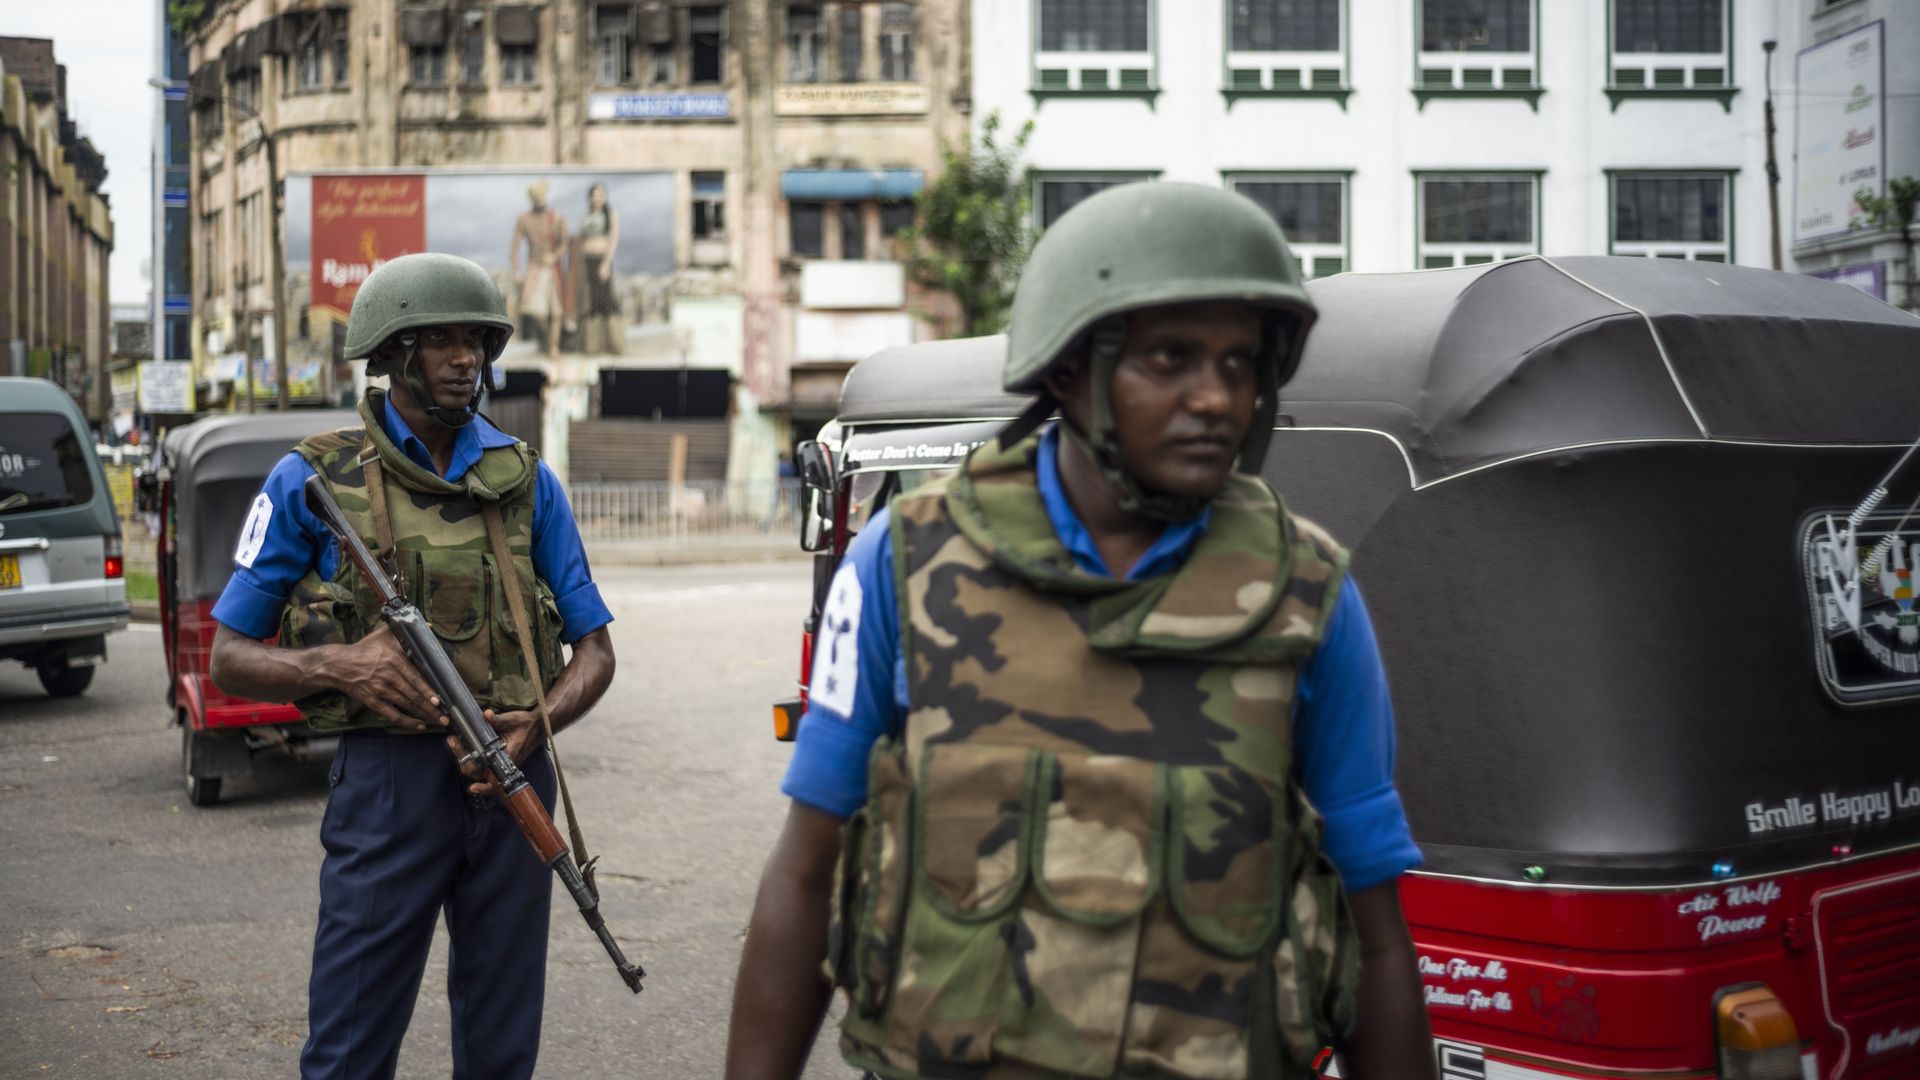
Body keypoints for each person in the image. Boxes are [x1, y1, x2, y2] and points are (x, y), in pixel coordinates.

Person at [725, 183, 1437, 1079]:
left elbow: (1374, 940)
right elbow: (805, 874)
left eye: (1239, 362)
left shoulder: (1308, 598)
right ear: (1067, 369)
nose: (1216, 398)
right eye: (1171, 358)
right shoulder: (903, 565)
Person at [207, 253, 616, 1080]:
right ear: (394, 355)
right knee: (350, 1050)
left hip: (514, 782)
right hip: (389, 787)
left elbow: (596, 653)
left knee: (502, 1054)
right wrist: (344, 665)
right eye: (441, 341)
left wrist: (538, 722)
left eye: (476, 341)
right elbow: (228, 659)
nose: (466, 359)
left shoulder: (526, 479)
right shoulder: (313, 478)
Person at [510, 181, 570, 360]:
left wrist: (554, 256)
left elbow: (564, 242)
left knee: (557, 311)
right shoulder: (524, 218)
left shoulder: (556, 217)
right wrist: (515, 269)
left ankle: (553, 346)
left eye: (541, 196)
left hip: (553, 269)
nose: (539, 200)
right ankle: (545, 340)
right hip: (534, 268)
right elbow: (516, 245)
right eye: (536, 197)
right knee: (534, 309)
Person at [572, 182, 624, 355]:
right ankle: (594, 345)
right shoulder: (586, 216)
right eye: (595, 194)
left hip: (602, 259)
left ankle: (615, 344)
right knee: (592, 302)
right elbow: (580, 239)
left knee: (607, 299)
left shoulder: (611, 215)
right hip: (588, 261)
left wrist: (606, 262)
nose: (598, 198)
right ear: (590, 197)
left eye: (601, 194)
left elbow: (614, 239)